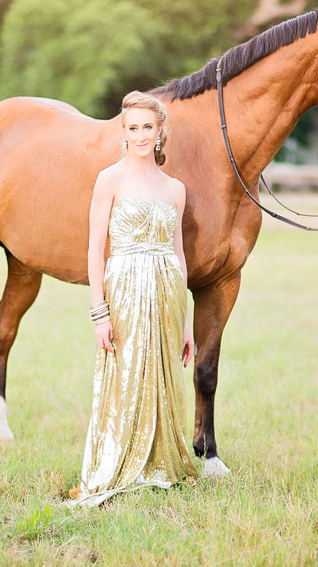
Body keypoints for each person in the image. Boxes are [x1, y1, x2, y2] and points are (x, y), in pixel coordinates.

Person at [69, 91, 198, 506]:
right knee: (125, 371)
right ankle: (119, 461)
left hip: (168, 292)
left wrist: (187, 322)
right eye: (133, 128)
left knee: (161, 372)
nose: (141, 135)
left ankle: (160, 461)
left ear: (160, 132)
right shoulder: (110, 179)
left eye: (147, 127)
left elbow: (178, 254)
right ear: (123, 133)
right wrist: (98, 312)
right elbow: (94, 250)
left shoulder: (175, 188)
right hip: (123, 285)